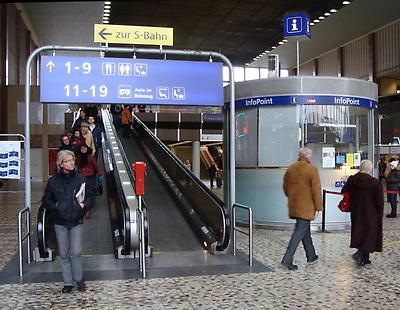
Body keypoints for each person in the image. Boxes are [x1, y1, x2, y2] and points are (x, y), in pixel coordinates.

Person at [42, 150, 93, 293]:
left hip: (76, 220)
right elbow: (46, 200)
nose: (71, 163)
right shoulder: (53, 181)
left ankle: (79, 279)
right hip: (60, 221)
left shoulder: (80, 179)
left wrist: (84, 205)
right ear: (61, 163)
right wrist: (56, 207)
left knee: (76, 252)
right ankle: (67, 282)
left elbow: (90, 195)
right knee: (64, 253)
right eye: (68, 160)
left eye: (72, 160)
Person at [281, 147, 322, 270]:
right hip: (306, 207)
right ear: (308, 156)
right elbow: (316, 190)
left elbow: (285, 187)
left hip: (294, 205)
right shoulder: (311, 169)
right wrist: (318, 207)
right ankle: (287, 259)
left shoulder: (291, 169)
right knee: (299, 233)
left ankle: (311, 255)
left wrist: (292, 198)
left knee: (305, 231)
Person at [341, 160, 384, 266]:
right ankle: (360, 254)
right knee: (369, 234)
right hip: (371, 212)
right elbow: (379, 201)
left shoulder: (352, 180)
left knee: (360, 232)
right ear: (369, 169)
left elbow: (344, 191)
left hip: (357, 211)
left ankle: (364, 258)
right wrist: (380, 211)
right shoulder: (375, 183)